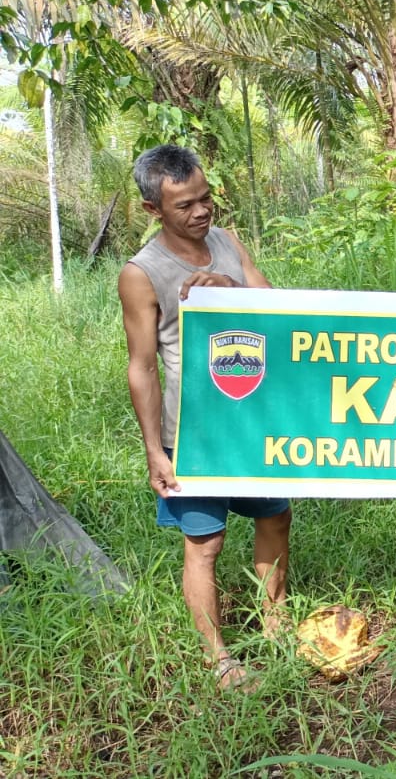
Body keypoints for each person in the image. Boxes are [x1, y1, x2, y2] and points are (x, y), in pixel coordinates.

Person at [118, 144, 291, 691]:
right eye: (184, 205)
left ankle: (276, 627)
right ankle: (219, 660)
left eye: (206, 198)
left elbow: (279, 309)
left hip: (251, 423)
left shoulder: (226, 242)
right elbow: (142, 367)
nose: (201, 212)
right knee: (205, 543)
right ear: (153, 210)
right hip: (191, 434)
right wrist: (154, 450)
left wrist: (232, 289)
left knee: (275, 519)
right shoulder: (142, 273)